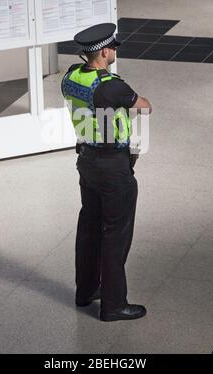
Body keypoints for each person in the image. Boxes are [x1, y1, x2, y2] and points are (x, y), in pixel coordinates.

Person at [61, 23, 152, 321]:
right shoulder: (111, 85)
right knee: (115, 234)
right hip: (113, 167)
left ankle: (86, 291)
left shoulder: (71, 77)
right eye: (113, 48)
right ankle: (114, 305)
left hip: (86, 161)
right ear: (103, 51)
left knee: (89, 226)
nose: (114, 52)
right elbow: (145, 107)